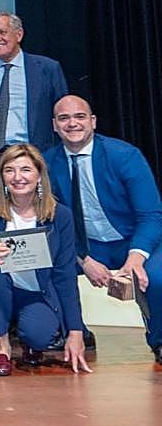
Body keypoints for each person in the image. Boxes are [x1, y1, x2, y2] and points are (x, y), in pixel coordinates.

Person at [45, 95, 162, 363]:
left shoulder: (124, 155)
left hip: (132, 239)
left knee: (157, 278)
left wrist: (135, 258)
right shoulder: (47, 163)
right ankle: (73, 333)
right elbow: (50, 223)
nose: (72, 123)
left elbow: (151, 215)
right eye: (64, 118)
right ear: (54, 125)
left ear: (93, 122)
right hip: (85, 245)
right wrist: (83, 259)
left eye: (79, 117)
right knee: (42, 267)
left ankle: (159, 340)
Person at [0, 144, 90, 375]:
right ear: (1, 176)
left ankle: (29, 341)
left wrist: (76, 331)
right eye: (9, 170)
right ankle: (2, 348)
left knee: (40, 336)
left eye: (25, 170)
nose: (17, 177)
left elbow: (65, 276)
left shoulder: (60, 216)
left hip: (35, 292)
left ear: (39, 175)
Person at [0, 11, 68, 194]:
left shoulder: (47, 69)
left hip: (30, 158)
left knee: (33, 218)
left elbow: (62, 115)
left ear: (18, 34)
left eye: (2, 32)